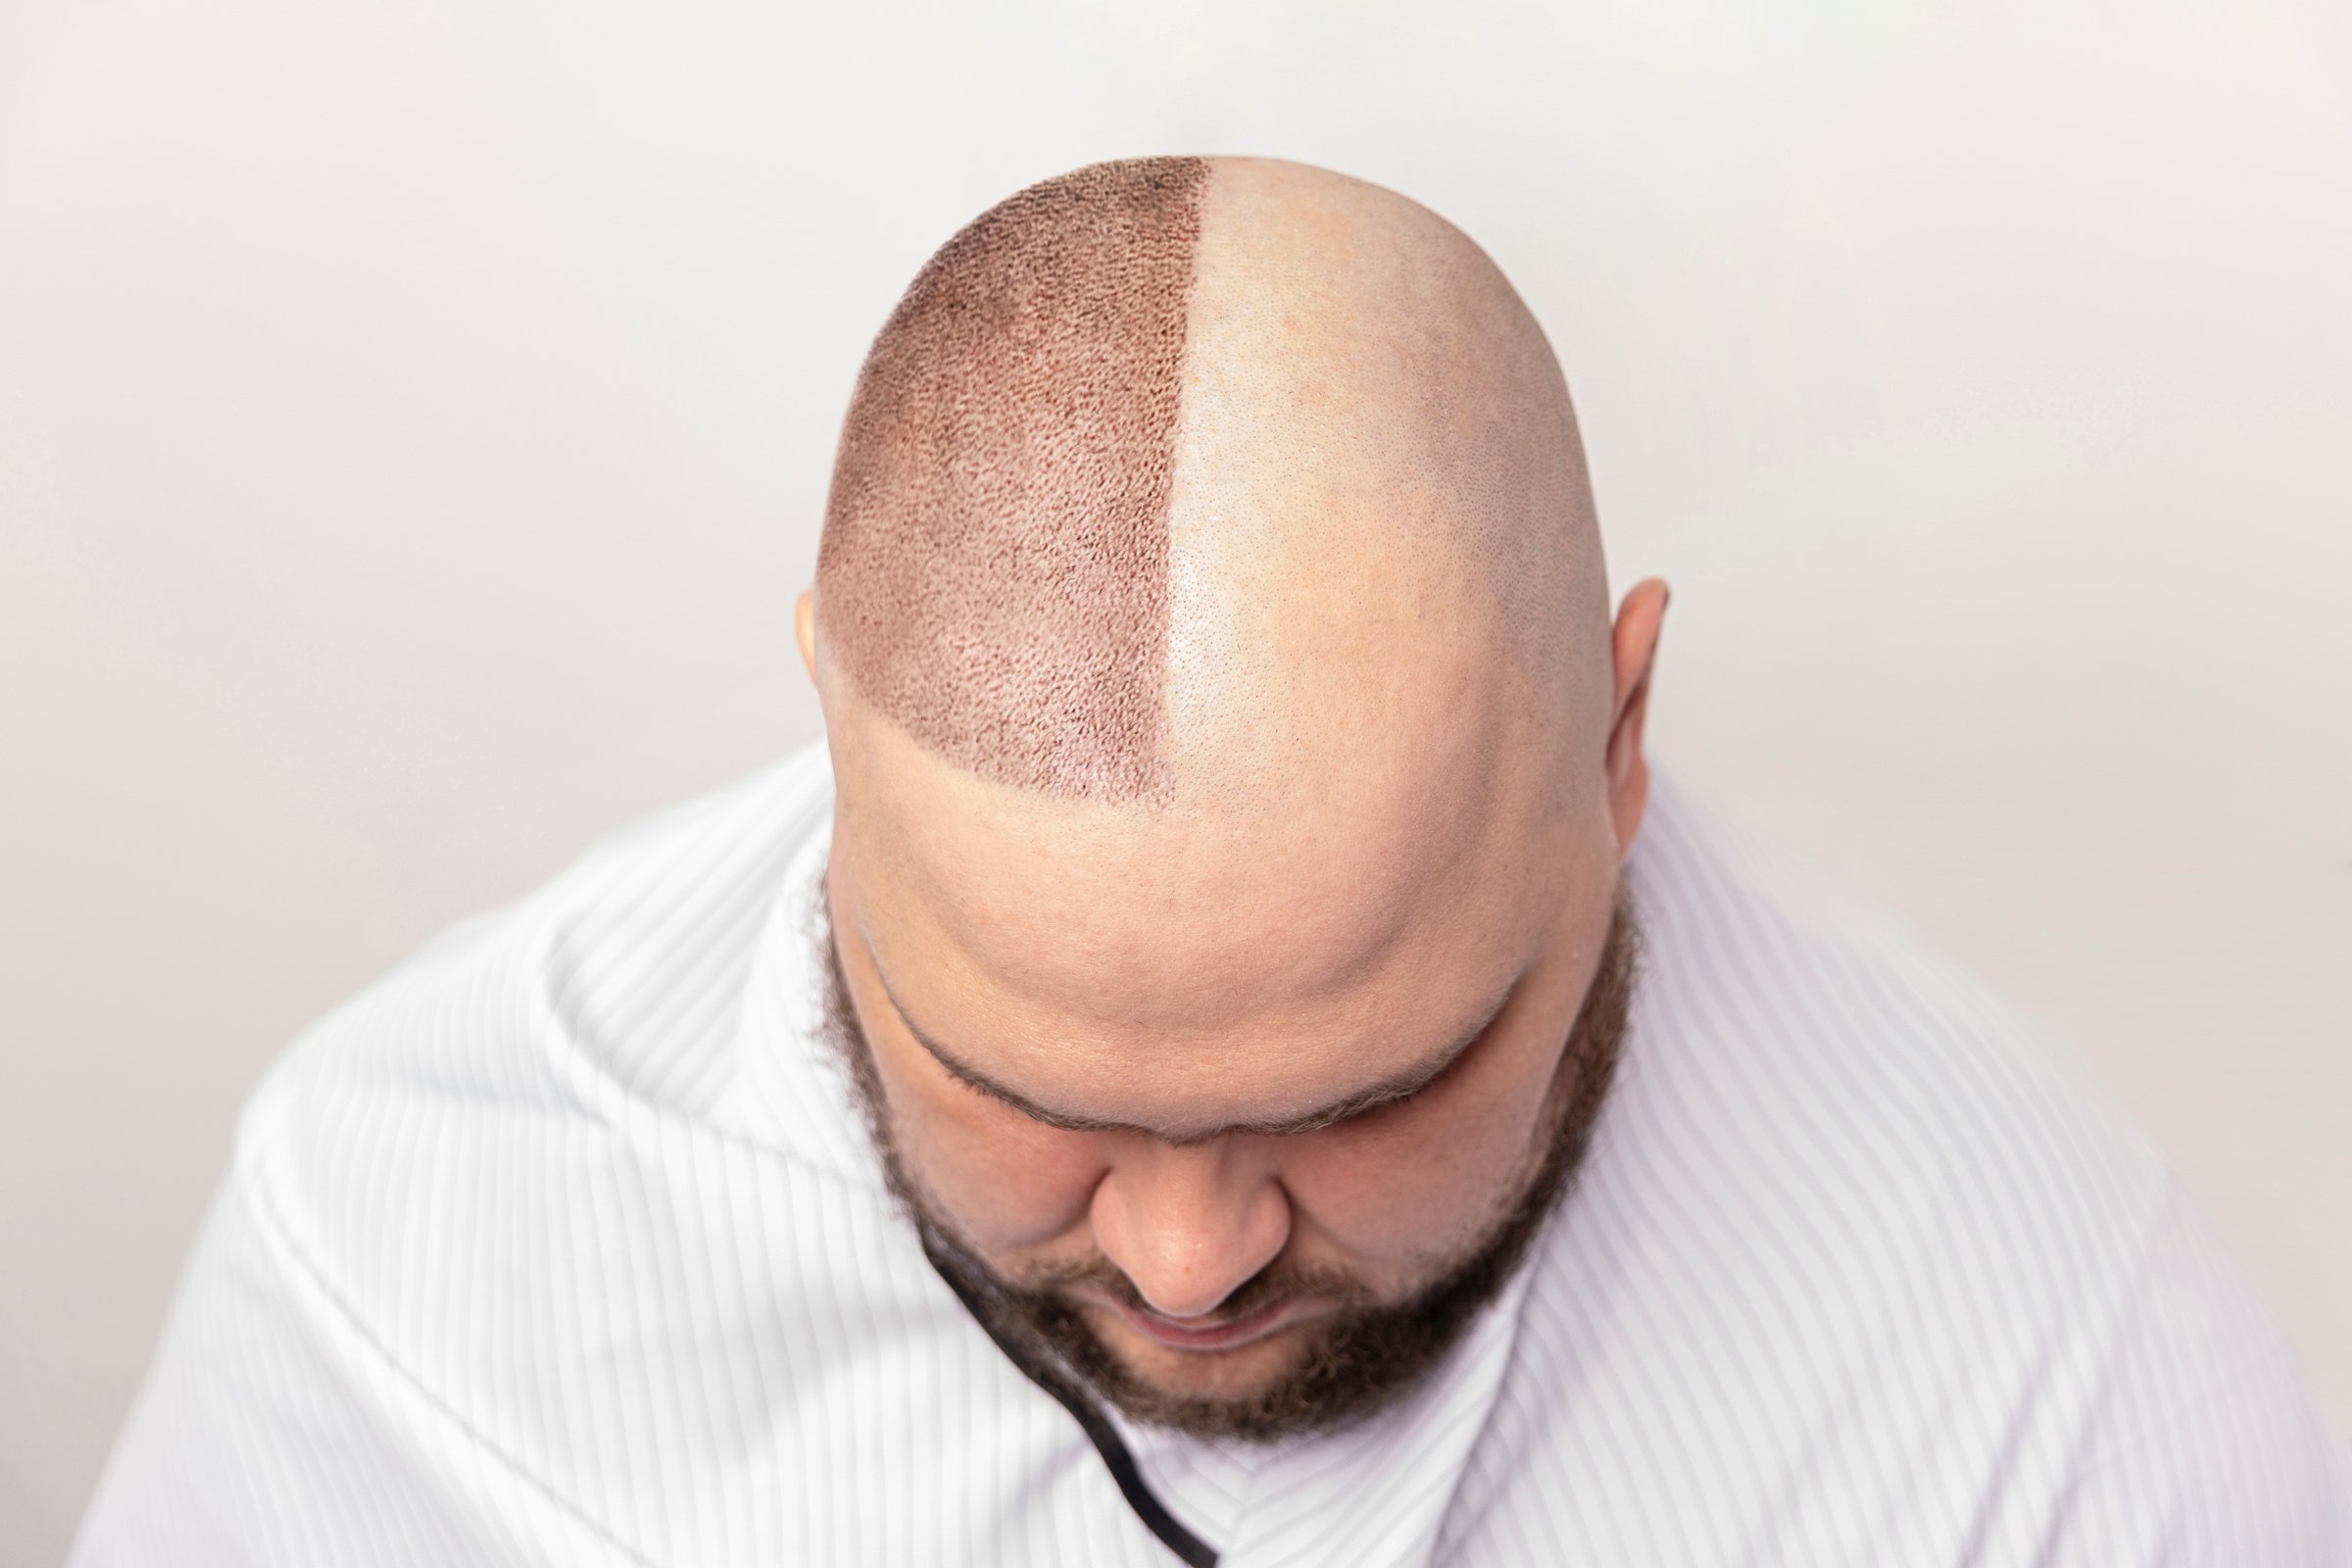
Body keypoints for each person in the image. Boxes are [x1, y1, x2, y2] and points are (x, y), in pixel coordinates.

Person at [74, 156, 2349, 1567]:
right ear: (834, 734)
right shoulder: (400, 1236)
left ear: (1621, 737)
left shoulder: (2066, 1386)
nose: (1186, 1259)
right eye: (1022, 1080)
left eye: (1364, 1089)